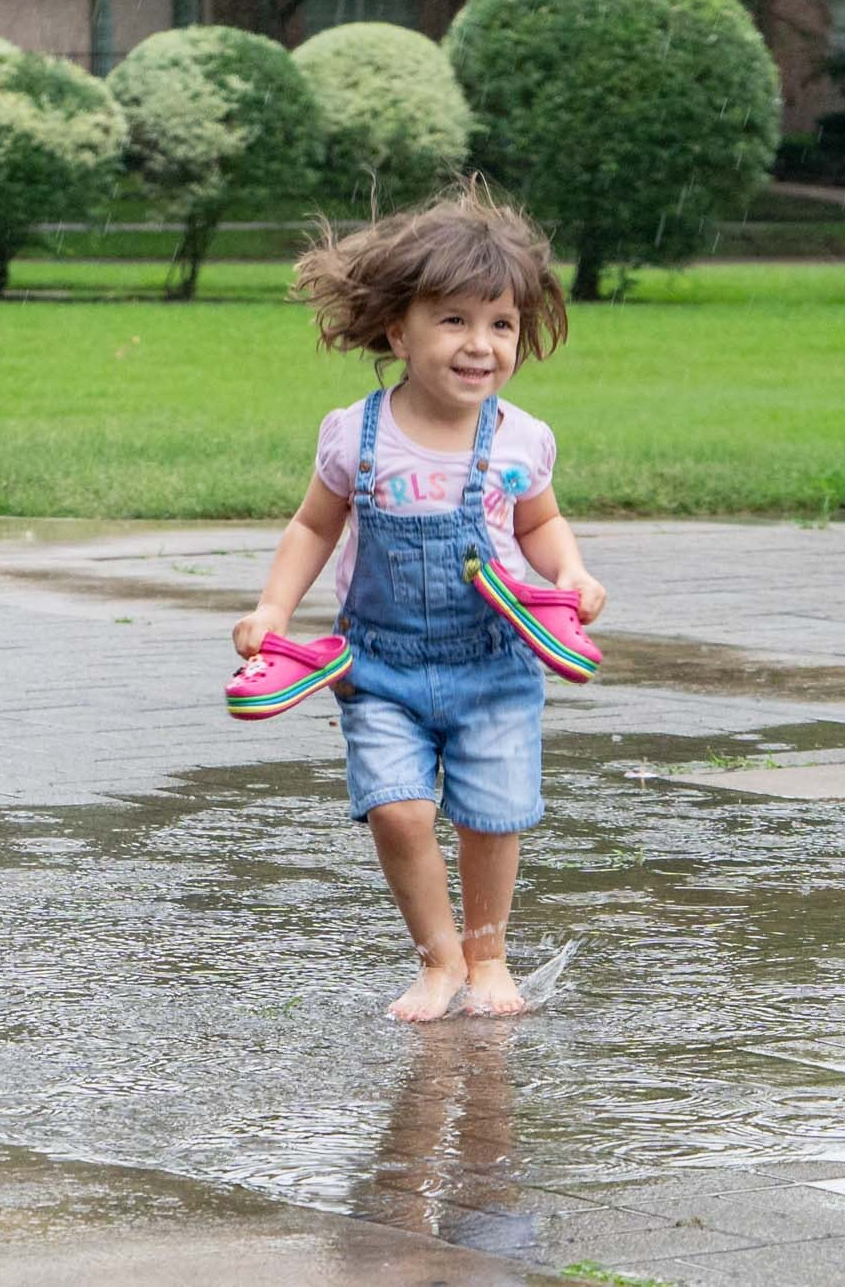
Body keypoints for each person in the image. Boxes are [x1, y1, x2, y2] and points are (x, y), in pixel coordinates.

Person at [231, 183, 606, 1021]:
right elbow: (311, 527)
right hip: (382, 664)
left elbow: (540, 521)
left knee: (491, 814)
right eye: (455, 322)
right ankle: (437, 959)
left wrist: (571, 577)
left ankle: (489, 956)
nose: (481, 346)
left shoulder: (521, 439)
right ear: (399, 329)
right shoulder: (352, 434)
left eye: (501, 325)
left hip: (496, 661)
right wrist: (273, 615)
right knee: (398, 812)